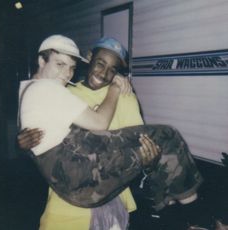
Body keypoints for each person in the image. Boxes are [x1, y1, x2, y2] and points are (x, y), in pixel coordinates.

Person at [18, 36, 203, 229]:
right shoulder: (65, 91)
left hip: (113, 197)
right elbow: (42, 132)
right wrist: (22, 142)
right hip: (66, 202)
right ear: (89, 58)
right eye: (100, 64)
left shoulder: (125, 98)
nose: (104, 73)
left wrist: (150, 163)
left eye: (112, 69)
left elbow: (144, 147)